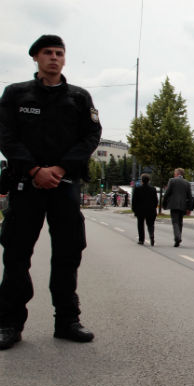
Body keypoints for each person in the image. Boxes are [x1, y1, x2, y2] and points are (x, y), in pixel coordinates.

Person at [0, 35, 101, 350]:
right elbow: (6, 135)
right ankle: (9, 323)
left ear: (64, 59)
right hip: (25, 185)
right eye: (48, 53)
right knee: (16, 255)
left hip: (64, 186)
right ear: (35, 58)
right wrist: (33, 170)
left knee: (68, 254)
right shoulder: (16, 95)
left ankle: (67, 320)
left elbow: (91, 137)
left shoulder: (79, 97)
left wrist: (58, 170)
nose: (54, 58)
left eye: (59, 53)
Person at [162, 167, 192, 247]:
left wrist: (164, 203)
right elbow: (190, 196)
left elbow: (167, 193)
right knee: (180, 222)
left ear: (177, 173)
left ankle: (177, 237)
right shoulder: (187, 183)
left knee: (175, 222)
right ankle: (178, 238)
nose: (174, 174)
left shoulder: (172, 180)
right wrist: (189, 208)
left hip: (174, 204)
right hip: (183, 205)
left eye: (174, 173)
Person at [132, 173, 158, 246]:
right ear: (149, 180)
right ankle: (151, 235)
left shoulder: (137, 189)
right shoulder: (153, 189)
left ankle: (141, 239)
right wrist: (154, 207)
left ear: (142, 181)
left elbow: (134, 201)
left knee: (140, 224)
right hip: (151, 210)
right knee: (150, 224)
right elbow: (156, 201)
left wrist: (134, 210)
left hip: (140, 210)